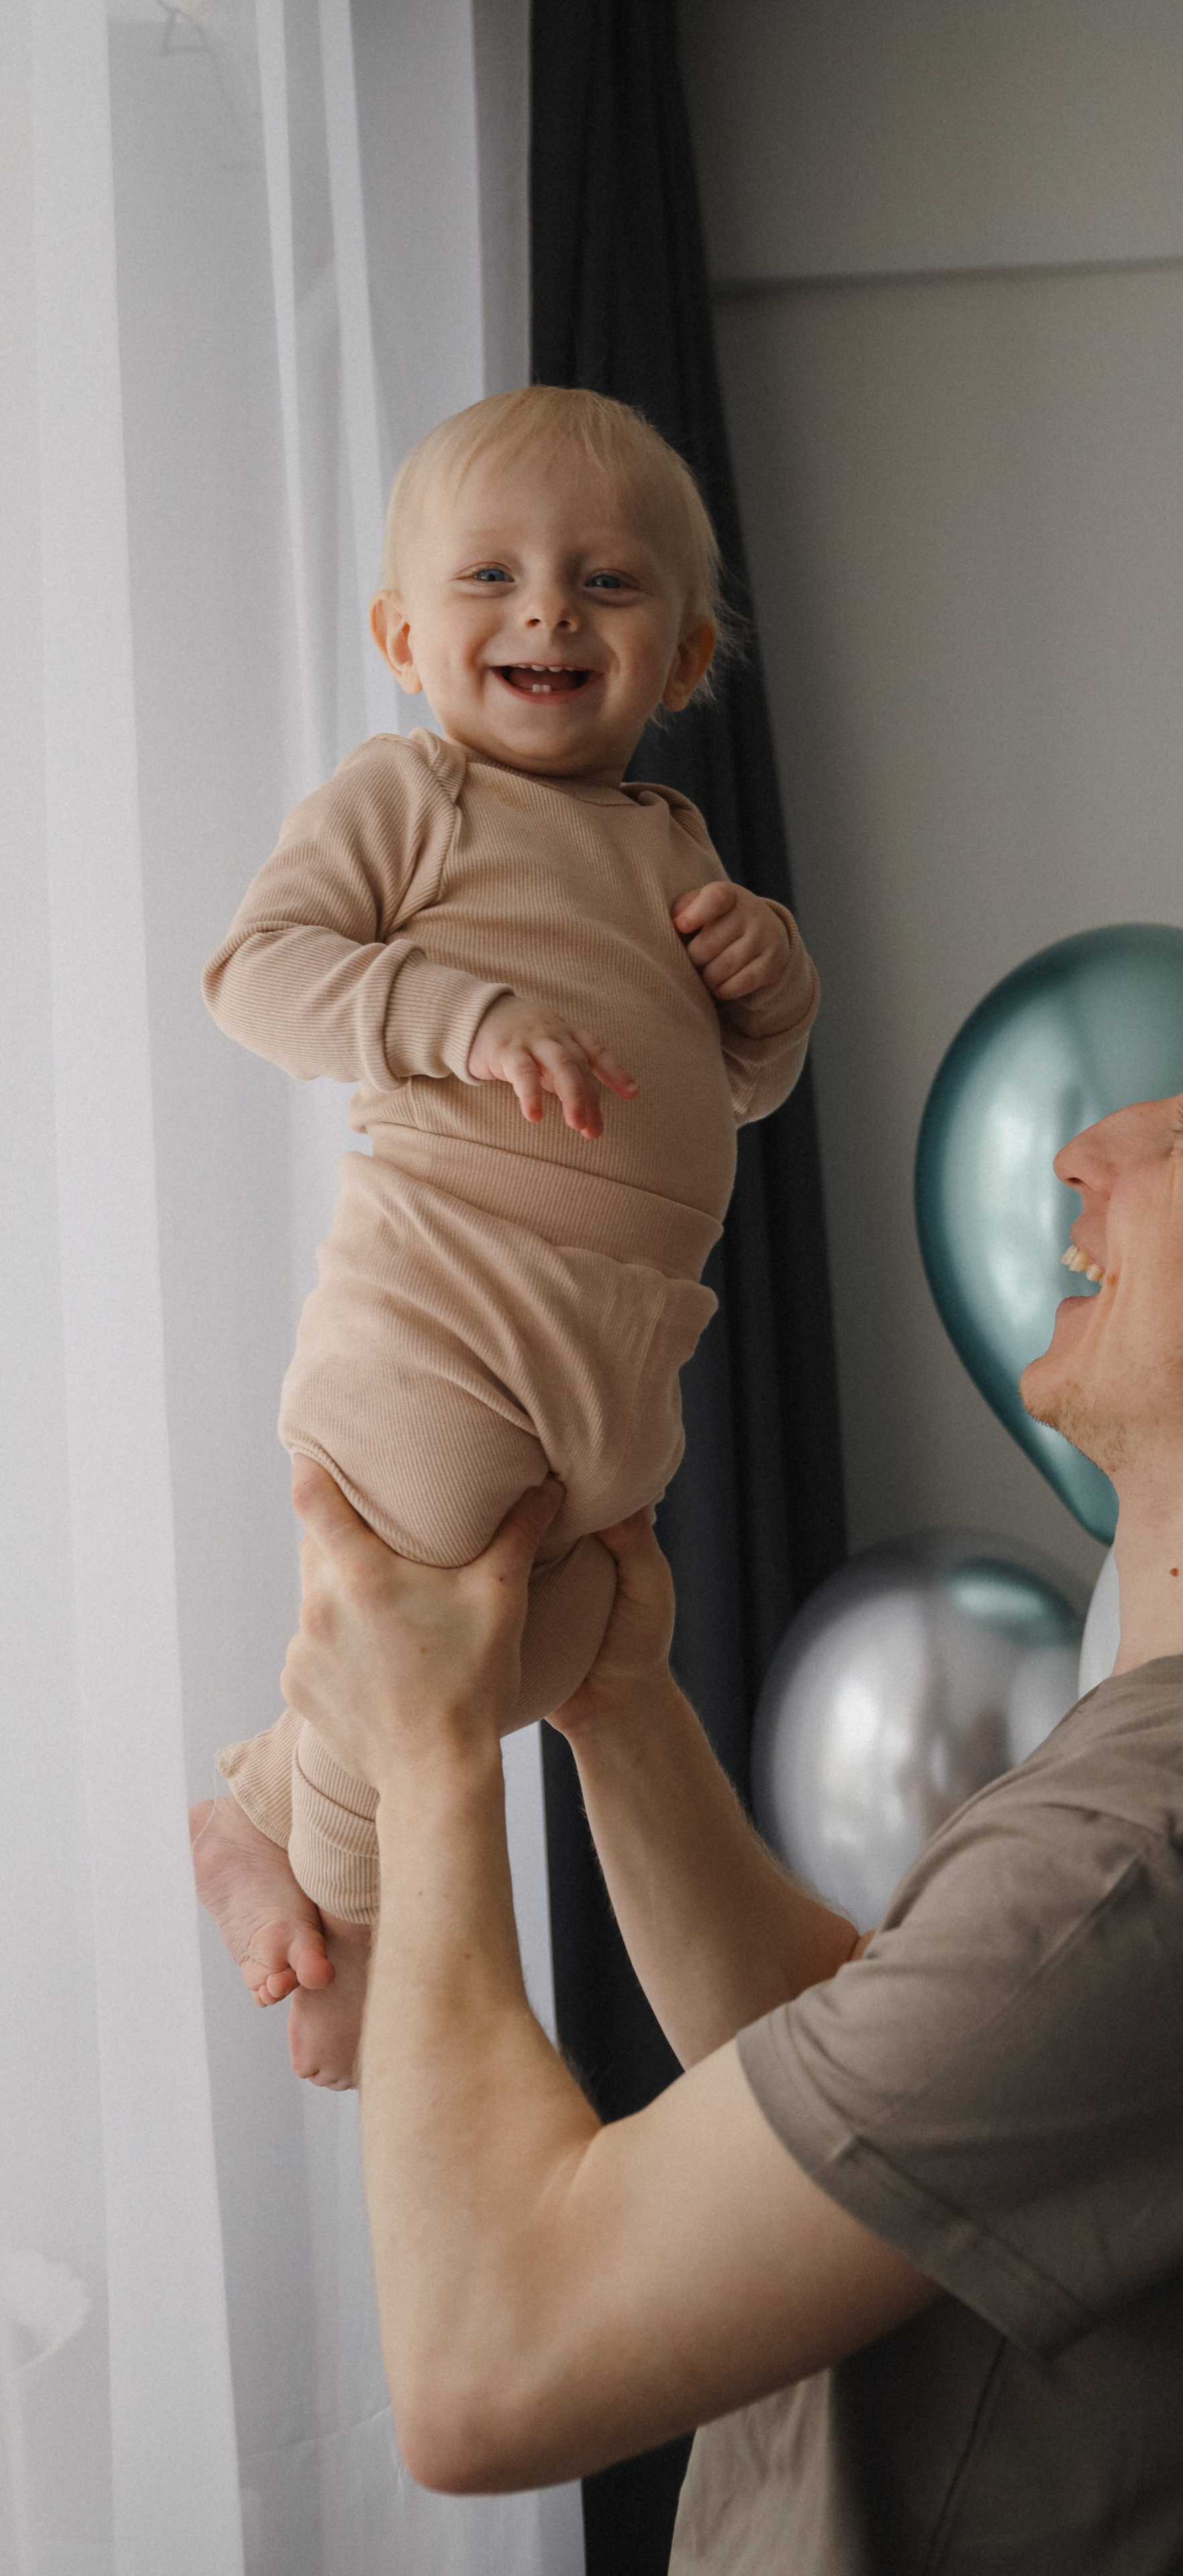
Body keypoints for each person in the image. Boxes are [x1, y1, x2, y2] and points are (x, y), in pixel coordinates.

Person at [271, 958, 1183, 2574]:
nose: (1092, 1146)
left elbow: (482, 2375)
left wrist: (424, 1753)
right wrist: (623, 1703)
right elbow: (885, 2088)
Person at [189, 386, 819, 2088]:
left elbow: (734, 1095)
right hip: (441, 1306)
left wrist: (773, 992)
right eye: (491, 576)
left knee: (561, 1650)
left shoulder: (677, 849)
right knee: (416, 1625)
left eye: (605, 586)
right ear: (405, 633)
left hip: (615, 1341)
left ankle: (263, 1791)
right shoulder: (413, 798)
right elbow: (255, 971)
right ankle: (338, 1909)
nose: (546, 609)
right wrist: (444, 1016)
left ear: (683, 658)